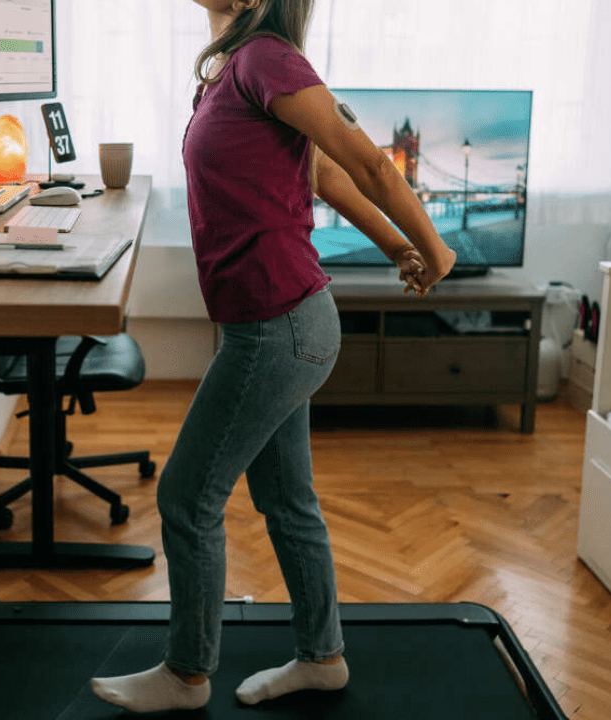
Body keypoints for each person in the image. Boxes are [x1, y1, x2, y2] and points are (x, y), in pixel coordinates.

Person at [90, 0, 457, 712]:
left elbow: (372, 167)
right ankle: (323, 659)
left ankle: (186, 675)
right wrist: (397, 250)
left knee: (187, 497)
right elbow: (323, 179)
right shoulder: (232, 69)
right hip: (272, 323)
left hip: (279, 326)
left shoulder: (268, 59)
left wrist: (435, 249)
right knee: (287, 500)